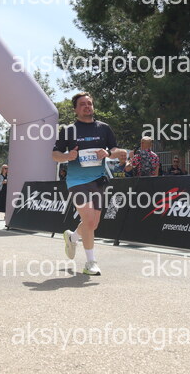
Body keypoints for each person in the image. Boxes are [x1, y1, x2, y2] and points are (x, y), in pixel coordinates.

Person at [52, 92, 126, 275]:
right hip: (76, 181)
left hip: (98, 180)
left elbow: (116, 150)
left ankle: (73, 237)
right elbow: (54, 154)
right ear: (75, 110)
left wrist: (109, 153)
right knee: (89, 220)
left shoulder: (104, 128)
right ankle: (90, 263)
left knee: (92, 224)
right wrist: (67, 156)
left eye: (89, 103)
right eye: (82, 104)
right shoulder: (69, 130)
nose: (87, 106)